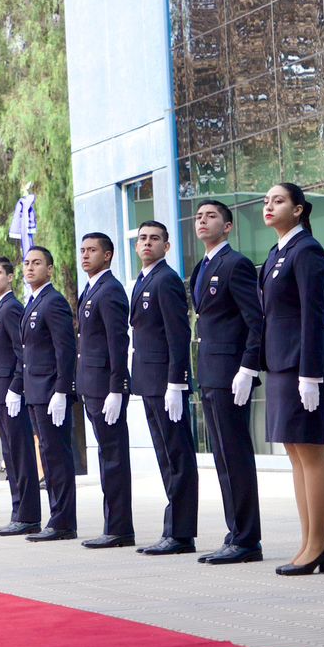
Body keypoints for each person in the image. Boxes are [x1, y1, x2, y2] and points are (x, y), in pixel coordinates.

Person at [260, 183, 324, 576]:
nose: (269, 207)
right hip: (281, 363)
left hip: (302, 364)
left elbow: (312, 315)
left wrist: (310, 373)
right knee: (294, 452)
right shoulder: (277, 252)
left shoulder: (306, 250)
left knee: (310, 450)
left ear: (299, 209)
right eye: (267, 201)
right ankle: (308, 539)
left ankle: (319, 541)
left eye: (278, 201)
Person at [189, 200, 265, 564]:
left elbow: (255, 320)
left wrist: (248, 368)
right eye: (199, 216)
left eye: (211, 216)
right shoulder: (200, 268)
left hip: (231, 373)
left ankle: (248, 539)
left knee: (235, 455)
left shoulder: (236, 265)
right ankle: (235, 532)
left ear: (228, 226)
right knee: (221, 457)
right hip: (209, 373)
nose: (203, 221)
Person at [130, 220, 199, 556]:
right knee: (165, 457)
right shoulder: (144, 280)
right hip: (149, 380)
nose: (147, 243)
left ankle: (181, 533)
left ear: (166, 246)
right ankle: (172, 529)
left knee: (177, 457)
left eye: (154, 239)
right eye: (142, 238)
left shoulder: (166, 280)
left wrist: (177, 381)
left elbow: (178, 333)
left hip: (165, 382)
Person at [16, 246, 79, 542]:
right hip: (35, 391)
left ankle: (63, 521)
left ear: (50, 269)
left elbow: (65, 350)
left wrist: (62, 390)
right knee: (48, 455)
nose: (30, 268)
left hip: (50, 390)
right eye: (27, 263)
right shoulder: (33, 301)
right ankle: (56, 516)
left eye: (37, 263)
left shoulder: (53, 302)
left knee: (57, 455)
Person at [74, 234, 134, 548]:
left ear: (107, 255)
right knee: (105, 456)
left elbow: (117, 342)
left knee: (113, 457)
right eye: (82, 250)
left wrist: (117, 387)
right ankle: (113, 524)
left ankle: (120, 528)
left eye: (92, 250)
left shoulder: (109, 290)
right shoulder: (91, 288)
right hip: (91, 384)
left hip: (105, 386)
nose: (85, 255)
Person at [0, 256, 42, 536]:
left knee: (20, 455)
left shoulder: (11, 308)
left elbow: (22, 353)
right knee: (9, 454)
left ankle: (27, 515)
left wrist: (16, 388)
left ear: (10, 277)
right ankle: (19, 512)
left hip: (11, 393)